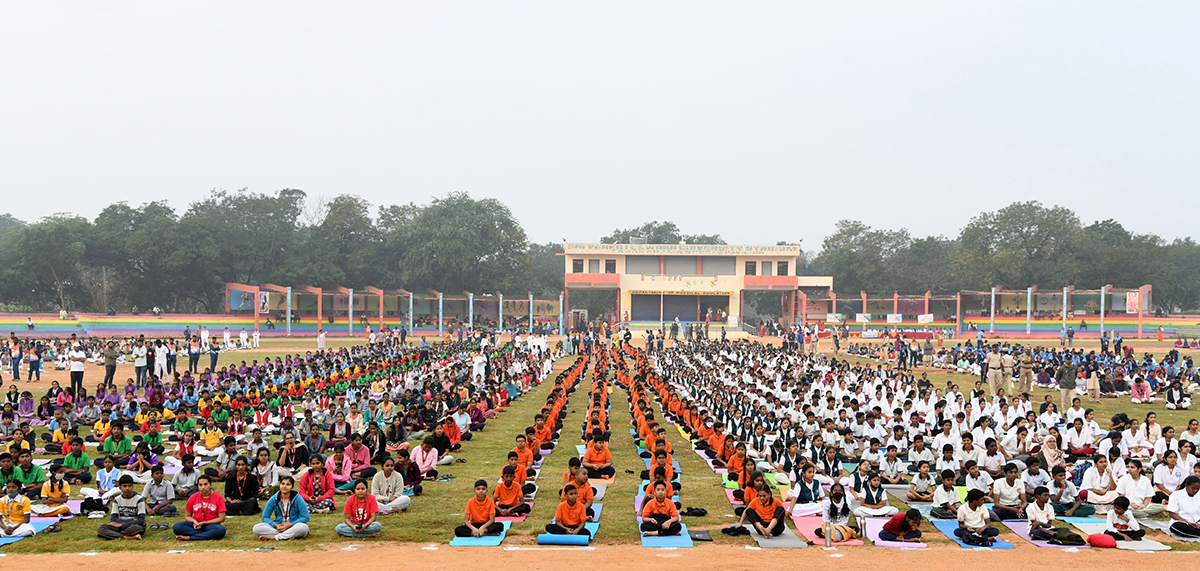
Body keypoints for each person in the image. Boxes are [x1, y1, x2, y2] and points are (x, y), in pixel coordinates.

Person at [254, 475, 311, 541]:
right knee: (256, 528)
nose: (284, 486)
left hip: (293, 526)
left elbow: (306, 517)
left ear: (292, 487)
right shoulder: (274, 498)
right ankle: (287, 536)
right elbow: (265, 517)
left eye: (288, 484)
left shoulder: (298, 498)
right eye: (282, 484)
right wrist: (276, 525)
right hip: (278, 527)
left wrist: (289, 525)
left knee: (303, 528)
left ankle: (274, 537)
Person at [173, 474, 227, 541]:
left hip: (211, 525)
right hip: (196, 525)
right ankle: (205, 535)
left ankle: (190, 537)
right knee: (177, 527)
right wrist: (194, 521)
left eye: (205, 484)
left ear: (210, 485)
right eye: (200, 485)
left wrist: (205, 523)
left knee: (221, 530)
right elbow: (187, 516)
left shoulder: (218, 497)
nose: (203, 487)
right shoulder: (193, 497)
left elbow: (222, 518)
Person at [97, 475, 146, 540]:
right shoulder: (117, 500)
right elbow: (113, 519)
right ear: (120, 487)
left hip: (133, 526)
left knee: (135, 528)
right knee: (101, 528)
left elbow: (141, 521)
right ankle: (127, 537)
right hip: (122, 525)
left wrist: (121, 524)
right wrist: (126, 522)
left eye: (129, 486)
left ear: (133, 486)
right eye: (124, 486)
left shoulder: (139, 499)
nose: (127, 488)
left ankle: (112, 534)